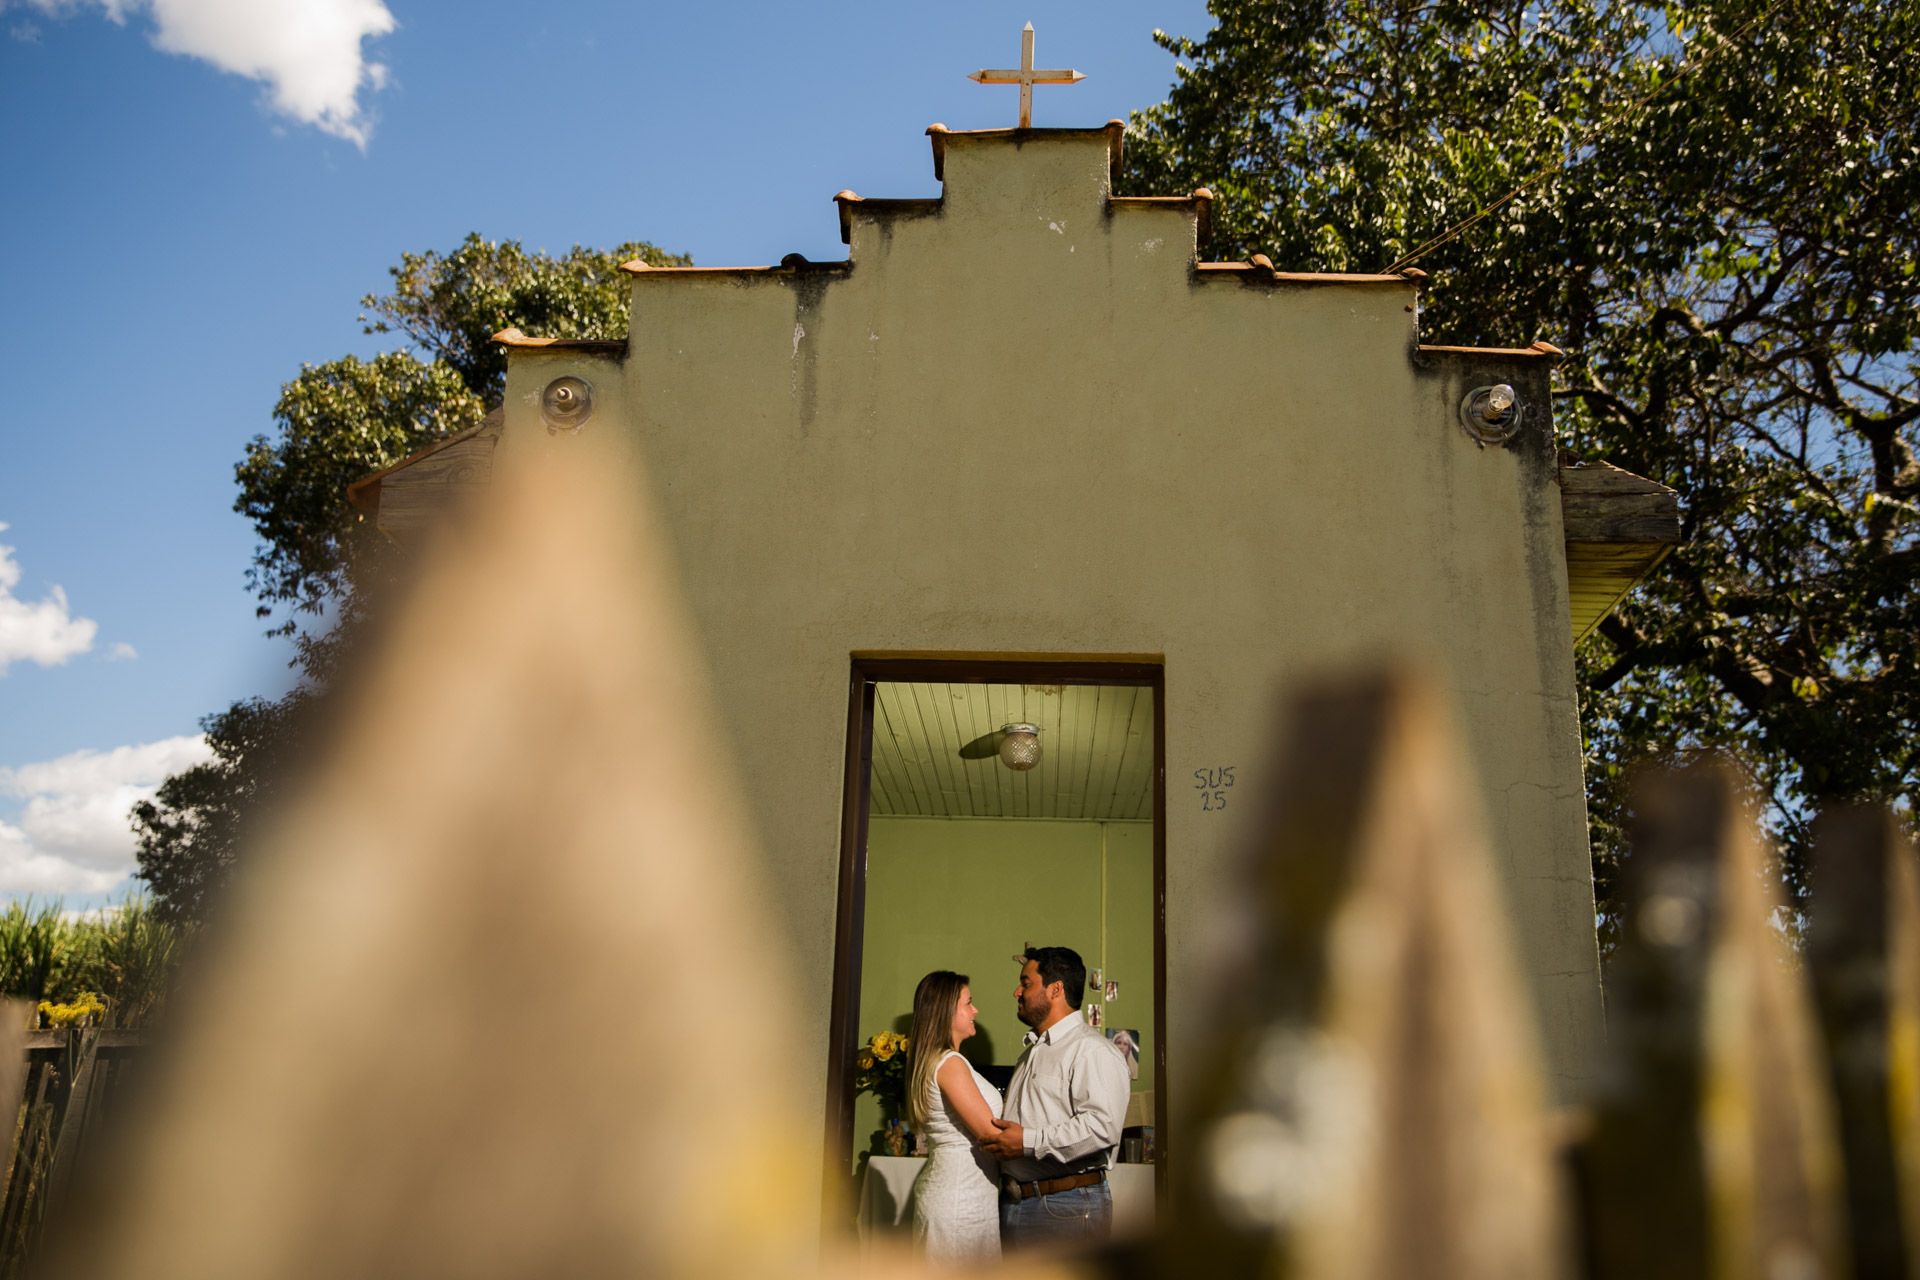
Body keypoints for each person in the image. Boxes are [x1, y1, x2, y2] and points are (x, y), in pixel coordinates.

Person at [981, 945, 1131, 1249]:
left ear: (1056, 989)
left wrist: (1027, 1141)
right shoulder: (1031, 1053)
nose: (1017, 992)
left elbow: (1102, 1127)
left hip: (1065, 1208)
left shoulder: (1092, 1051)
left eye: (1026, 983)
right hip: (1016, 1203)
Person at [904, 970, 1004, 1265]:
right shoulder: (950, 1063)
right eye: (968, 1003)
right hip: (960, 1200)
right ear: (947, 1011)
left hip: (961, 1192)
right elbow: (989, 1132)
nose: (976, 1010)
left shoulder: (935, 1060)